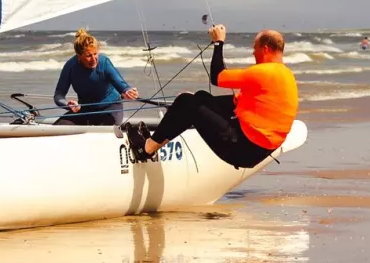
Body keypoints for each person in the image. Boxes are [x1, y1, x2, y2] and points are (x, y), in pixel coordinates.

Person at [125, 23, 298, 168]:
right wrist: (193, 103)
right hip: (258, 151)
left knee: (188, 102)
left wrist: (218, 43)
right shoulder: (287, 76)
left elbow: (217, 77)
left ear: (265, 48)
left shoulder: (262, 72)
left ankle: (146, 149)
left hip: (241, 149)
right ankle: (158, 141)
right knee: (197, 98)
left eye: (255, 48)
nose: (253, 52)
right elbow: (232, 103)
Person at [53, 29, 138, 126]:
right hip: (85, 109)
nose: (94, 59)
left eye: (95, 54)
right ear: (78, 56)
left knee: (103, 131)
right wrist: (68, 105)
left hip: (111, 108)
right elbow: (58, 95)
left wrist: (127, 91)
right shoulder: (70, 66)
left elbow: (120, 84)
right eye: (88, 55)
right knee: (57, 127)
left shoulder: (104, 62)